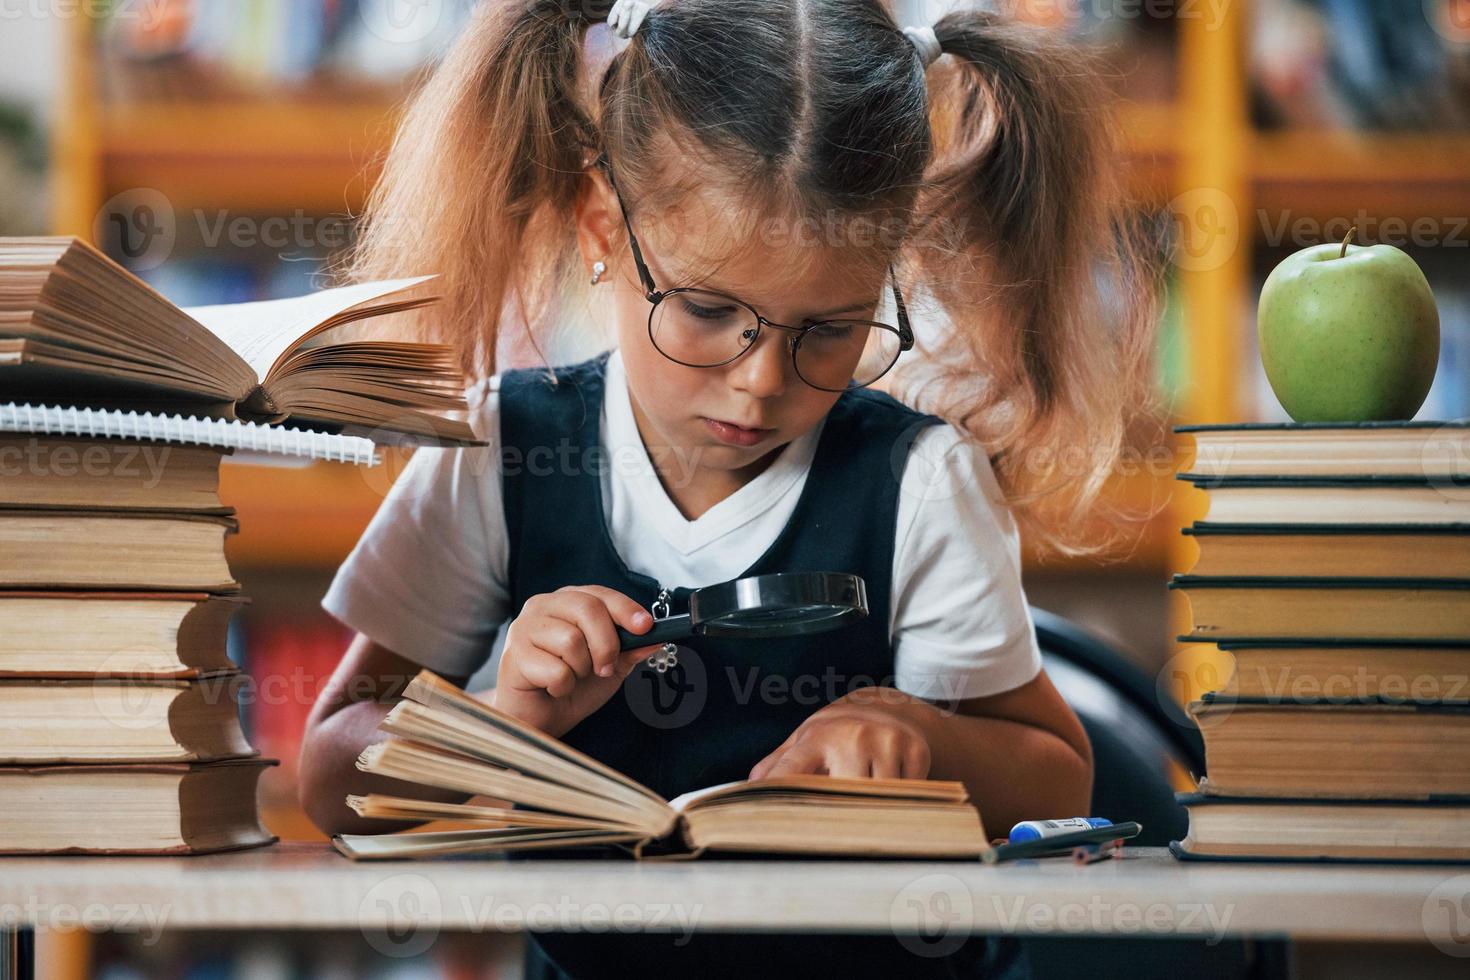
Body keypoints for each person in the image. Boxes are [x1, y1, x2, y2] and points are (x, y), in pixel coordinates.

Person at [300, 1, 1160, 975]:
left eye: (830, 329)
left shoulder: (918, 480)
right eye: (709, 310)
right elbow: (332, 773)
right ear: (601, 229)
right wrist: (502, 724)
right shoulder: (497, 450)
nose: (760, 381)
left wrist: (922, 733)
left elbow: (1058, 773)